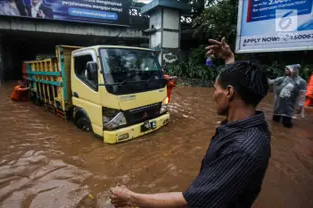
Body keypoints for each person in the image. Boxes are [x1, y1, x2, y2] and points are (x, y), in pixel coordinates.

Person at [110, 37, 271, 208]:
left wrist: (130, 198)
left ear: (229, 92)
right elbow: (236, 84)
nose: (213, 95)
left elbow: (191, 201)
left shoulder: (242, 150)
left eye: (215, 89)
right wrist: (229, 59)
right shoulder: (249, 124)